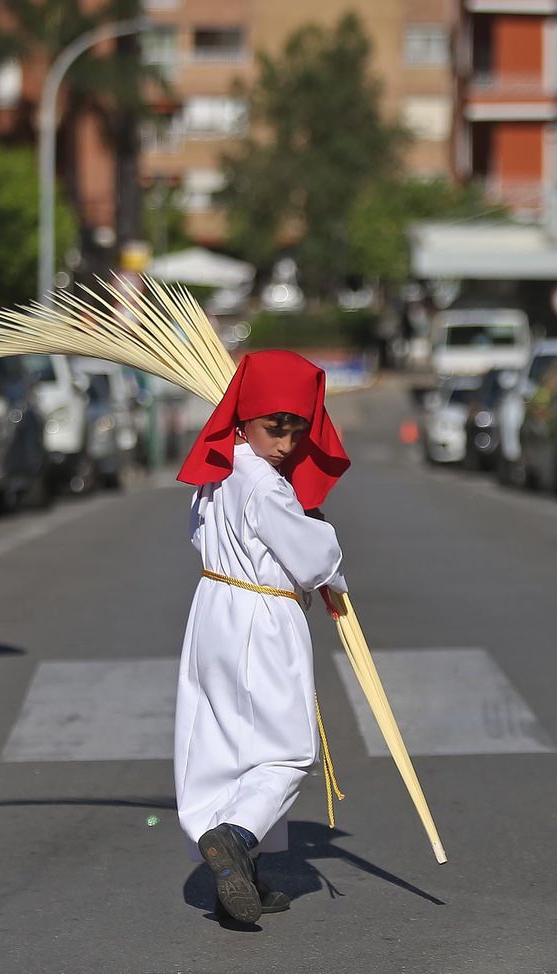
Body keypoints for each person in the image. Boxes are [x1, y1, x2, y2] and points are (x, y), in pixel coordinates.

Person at [173, 350, 351, 923]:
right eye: (277, 427)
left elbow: (199, 534)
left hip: (213, 608)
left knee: (228, 744)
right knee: (287, 750)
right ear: (246, 416)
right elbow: (308, 555)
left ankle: (249, 869)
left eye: (297, 430)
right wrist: (331, 565)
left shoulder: (218, 469)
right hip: (261, 615)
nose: (287, 442)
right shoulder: (265, 486)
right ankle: (236, 834)